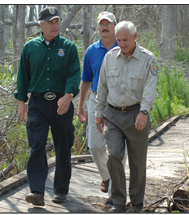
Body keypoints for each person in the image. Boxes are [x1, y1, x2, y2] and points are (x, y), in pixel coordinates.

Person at [14, 7, 81, 206]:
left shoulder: (68, 47)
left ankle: (60, 190)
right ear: (41, 25)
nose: (55, 25)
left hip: (62, 103)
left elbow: (74, 74)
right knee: (37, 144)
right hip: (38, 104)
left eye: (57, 22)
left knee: (63, 147)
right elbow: (23, 76)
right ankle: (37, 192)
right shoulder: (30, 47)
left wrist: (68, 95)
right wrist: (21, 102)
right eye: (50, 22)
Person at [95, 21, 158, 213]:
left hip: (136, 114)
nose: (121, 44)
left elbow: (150, 88)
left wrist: (144, 111)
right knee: (114, 154)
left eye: (125, 40)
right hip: (113, 115)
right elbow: (102, 86)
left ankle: (137, 204)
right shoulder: (110, 57)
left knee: (137, 162)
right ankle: (118, 202)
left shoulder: (148, 59)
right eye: (118, 39)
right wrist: (99, 112)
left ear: (135, 37)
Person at [77, 11, 126, 204]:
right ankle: (107, 176)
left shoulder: (123, 46)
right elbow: (86, 80)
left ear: (115, 26)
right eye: (101, 24)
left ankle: (115, 193)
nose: (105, 27)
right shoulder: (91, 50)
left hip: (119, 103)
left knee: (118, 150)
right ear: (97, 27)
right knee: (95, 145)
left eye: (108, 24)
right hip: (97, 100)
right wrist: (81, 104)